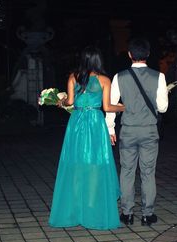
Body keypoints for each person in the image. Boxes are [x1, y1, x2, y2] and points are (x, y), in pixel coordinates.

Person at [48, 46, 125, 230]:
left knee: (75, 164)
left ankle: (76, 208)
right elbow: (107, 107)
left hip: (77, 123)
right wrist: (123, 107)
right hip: (95, 124)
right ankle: (91, 207)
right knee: (95, 165)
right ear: (99, 60)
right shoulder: (104, 79)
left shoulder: (73, 77)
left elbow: (70, 102)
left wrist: (60, 102)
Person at [105, 37, 169, 226]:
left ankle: (127, 213)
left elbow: (111, 106)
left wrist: (110, 128)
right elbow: (163, 108)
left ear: (130, 54)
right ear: (148, 54)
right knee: (148, 173)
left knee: (127, 171)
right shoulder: (159, 77)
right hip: (149, 131)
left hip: (128, 131)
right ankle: (148, 215)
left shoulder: (119, 77)